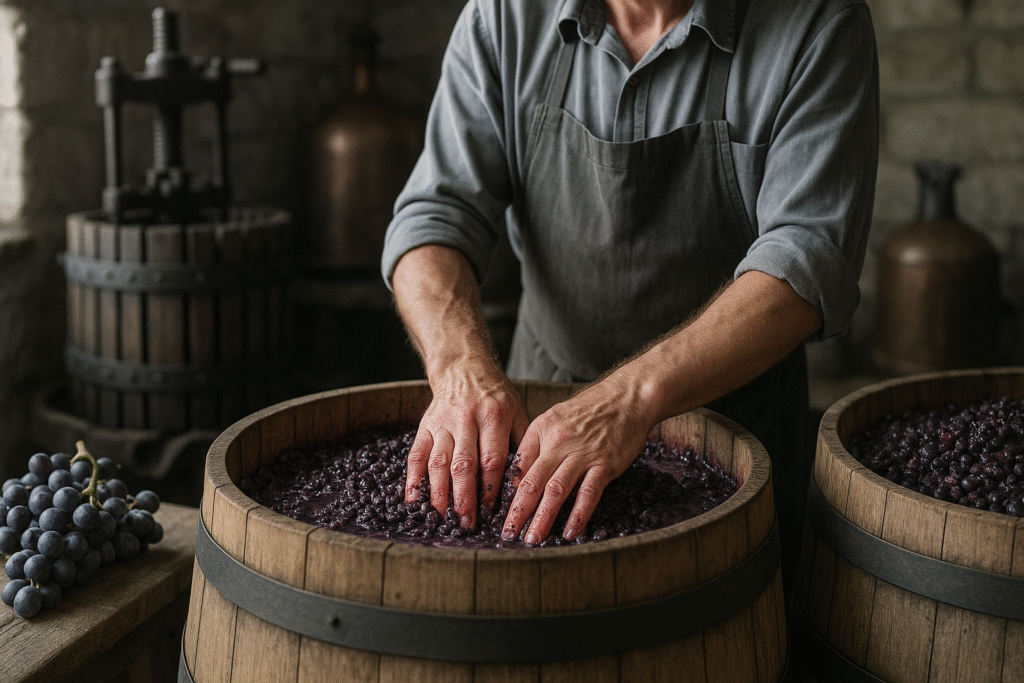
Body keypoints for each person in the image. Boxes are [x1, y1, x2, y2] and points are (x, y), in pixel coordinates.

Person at [381, 0, 878, 585]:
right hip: (537, 421)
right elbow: (434, 218)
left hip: (733, 435)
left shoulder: (818, 22)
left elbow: (808, 257)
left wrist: (629, 400)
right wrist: (460, 369)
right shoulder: (504, 16)